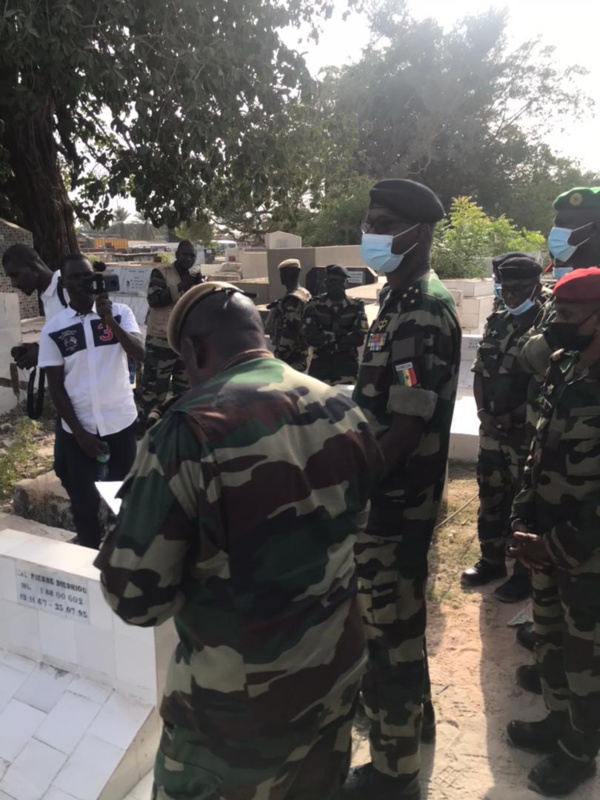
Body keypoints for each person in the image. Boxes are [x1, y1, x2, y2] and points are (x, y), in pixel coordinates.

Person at [95, 281, 383, 800]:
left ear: (194, 349)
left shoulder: (188, 430)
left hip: (240, 711)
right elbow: (355, 528)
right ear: (261, 334)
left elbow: (135, 599)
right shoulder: (341, 407)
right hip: (336, 671)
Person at [345, 179, 461, 800]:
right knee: (399, 629)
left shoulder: (421, 307)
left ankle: (392, 777)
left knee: (387, 641)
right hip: (390, 501)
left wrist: (347, 487)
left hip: (394, 506)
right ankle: (412, 739)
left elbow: (407, 426)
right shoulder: (398, 298)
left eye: (384, 222)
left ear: (417, 233)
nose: (373, 233)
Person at [507, 268, 600, 797]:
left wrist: (562, 544)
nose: (555, 327)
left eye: (565, 317)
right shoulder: (563, 367)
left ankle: (579, 751)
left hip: (586, 555)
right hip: (544, 544)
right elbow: (537, 451)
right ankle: (557, 721)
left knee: (588, 660)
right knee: (551, 641)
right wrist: (523, 518)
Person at [38, 255, 145, 549]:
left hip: (120, 424)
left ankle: (121, 556)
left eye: (87, 276)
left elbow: (139, 353)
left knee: (120, 498)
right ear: (63, 283)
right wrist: (81, 434)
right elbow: (56, 388)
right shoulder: (53, 329)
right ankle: (87, 556)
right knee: (84, 504)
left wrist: (109, 320)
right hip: (79, 431)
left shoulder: (121, 313)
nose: (83, 283)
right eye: (75, 278)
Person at [462, 256, 544, 603]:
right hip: (492, 428)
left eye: (519, 289)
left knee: (523, 502)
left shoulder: (546, 325)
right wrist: (483, 412)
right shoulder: (497, 321)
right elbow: (481, 371)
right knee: (490, 494)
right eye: (505, 288)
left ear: (535, 286)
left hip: (524, 432)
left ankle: (524, 572)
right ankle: (492, 560)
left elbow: (545, 381)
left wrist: (514, 417)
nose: (510, 295)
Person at [140, 239, 203, 423]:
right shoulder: (161, 273)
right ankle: (149, 431)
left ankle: (178, 429)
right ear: (177, 255)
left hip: (184, 343)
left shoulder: (194, 277)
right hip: (160, 342)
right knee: (154, 393)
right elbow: (154, 299)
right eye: (185, 254)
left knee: (184, 392)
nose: (189, 259)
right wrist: (182, 285)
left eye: (192, 255)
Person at [2, 244, 68, 368]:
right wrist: (38, 347)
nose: (14, 284)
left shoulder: (66, 289)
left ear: (33, 267)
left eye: (15, 275)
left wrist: (43, 353)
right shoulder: (47, 296)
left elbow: (89, 334)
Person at [302, 264, 369, 385]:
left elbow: (358, 337)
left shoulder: (356, 305)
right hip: (320, 369)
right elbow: (310, 336)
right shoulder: (314, 305)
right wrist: (341, 337)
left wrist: (328, 338)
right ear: (326, 282)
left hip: (347, 369)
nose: (336, 285)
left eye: (340, 282)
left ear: (346, 283)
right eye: (332, 281)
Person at [264, 258, 311, 371]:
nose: (281, 277)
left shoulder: (292, 300)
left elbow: (291, 329)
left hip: (291, 357)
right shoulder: (304, 293)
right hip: (300, 352)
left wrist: (281, 353)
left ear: (287, 275)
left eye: (282, 274)